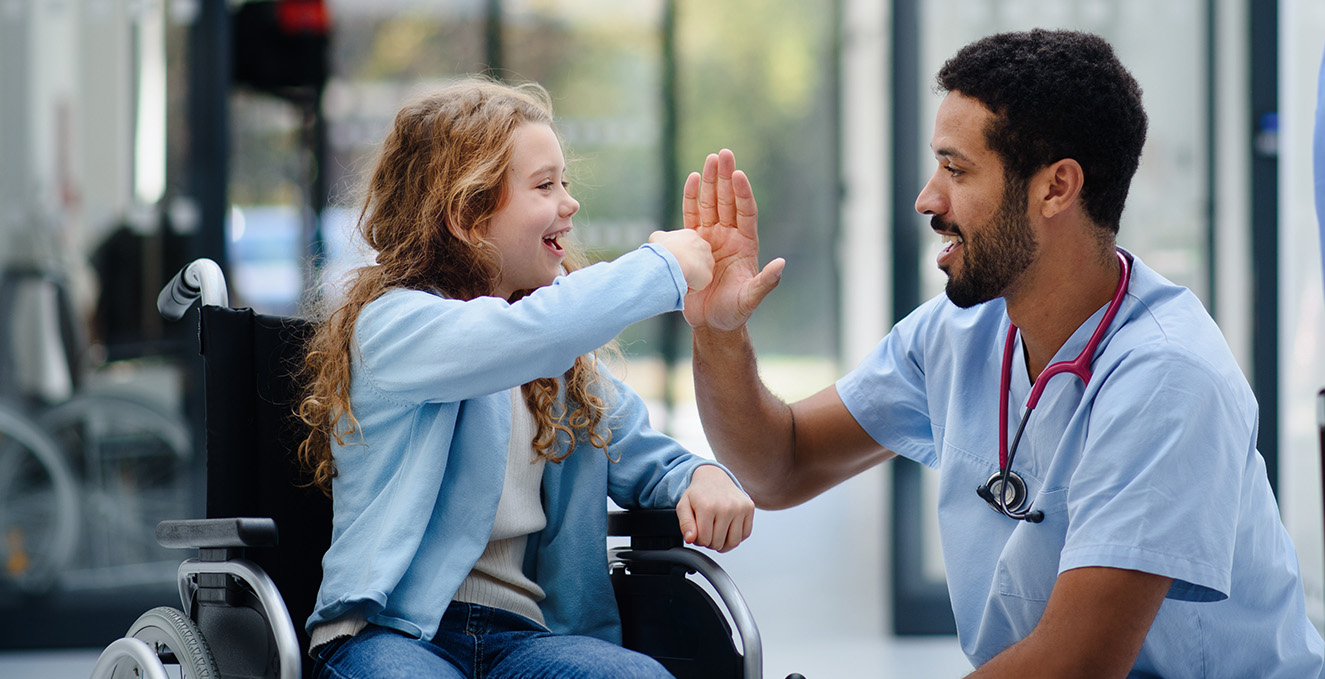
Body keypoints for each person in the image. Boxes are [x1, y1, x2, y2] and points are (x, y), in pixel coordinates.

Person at [684, 29, 1325, 678]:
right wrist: (718, 331)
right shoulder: (959, 332)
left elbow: (1076, 661)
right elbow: (778, 465)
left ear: (1055, 188)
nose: (927, 199)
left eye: (955, 169)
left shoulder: (1166, 377)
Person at [296, 77, 754, 679]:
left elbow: (644, 453)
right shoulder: (395, 327)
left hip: (525, 640)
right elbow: (520, 337)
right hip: (394, 634)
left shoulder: (561, 366)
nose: (570, 203)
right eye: (544, 186)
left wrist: (700, 474)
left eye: (566, 182)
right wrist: (661, 268)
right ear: (466, 213)